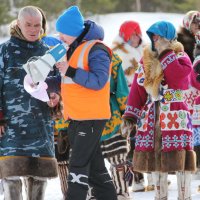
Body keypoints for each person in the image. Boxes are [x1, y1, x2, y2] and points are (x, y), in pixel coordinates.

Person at [46, 6, 118, 200]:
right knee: (95, 167)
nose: (61, 38)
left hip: (91, 117)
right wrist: (46, 85)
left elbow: (98, 81)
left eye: (63, 34)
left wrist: (69, 71)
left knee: (77, 164)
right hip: (77, 117)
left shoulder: (97, 49)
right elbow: (68, 82)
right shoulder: (74, 49)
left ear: (73, 32)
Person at [122, 21, 196, 200]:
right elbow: (138, 89)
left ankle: (184, 196)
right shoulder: (146, 59)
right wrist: (130, 116)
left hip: (176, 115)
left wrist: (166, 53)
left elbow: (177, 78)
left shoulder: (181, 56)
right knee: (155, 163)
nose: (156, 40)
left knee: (181, 161)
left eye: (159, 36)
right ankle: (160, 196)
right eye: (153, 36)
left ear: (169, 38)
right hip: (151, 116)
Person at [0, 6, 58, 200]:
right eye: (28, 25)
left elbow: (56, 84)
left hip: (41, 124)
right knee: (11, 174)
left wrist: (56, 98)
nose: (34, 29)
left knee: (40, 175)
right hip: (11, 126)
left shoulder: (47, 53)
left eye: (37, 25)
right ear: (18, 24)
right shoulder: (5, 51)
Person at [111, 20, 155, 193]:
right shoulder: (116, 52)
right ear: (125, 36)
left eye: (138, 35)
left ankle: (152, 175)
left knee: (148, 137)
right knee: (131, 140)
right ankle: (135, 179)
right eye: (132, 35)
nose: (136, 38)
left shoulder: (148, 50)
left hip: (147, 99)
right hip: (126, 101)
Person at [177, 10, 200, 192]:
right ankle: (189, 163)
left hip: (198, 87)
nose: (197, 27)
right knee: (188, 126)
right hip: (185, 89)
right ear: (187, 24)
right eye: (195, 23)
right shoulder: (179, 41)